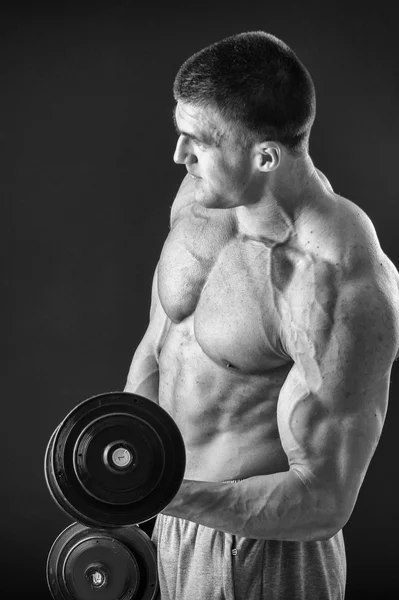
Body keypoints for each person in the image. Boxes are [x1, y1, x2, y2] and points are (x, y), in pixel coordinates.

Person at [124, 31, 399, 600]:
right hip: (175, 522)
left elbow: (322, 501)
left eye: (196, 141)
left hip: (267, 550)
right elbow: (160, 344)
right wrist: (121, 470)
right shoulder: (203, 196)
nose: (179, 156)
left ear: (265, 155)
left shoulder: (334, 277)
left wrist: (150, 492)